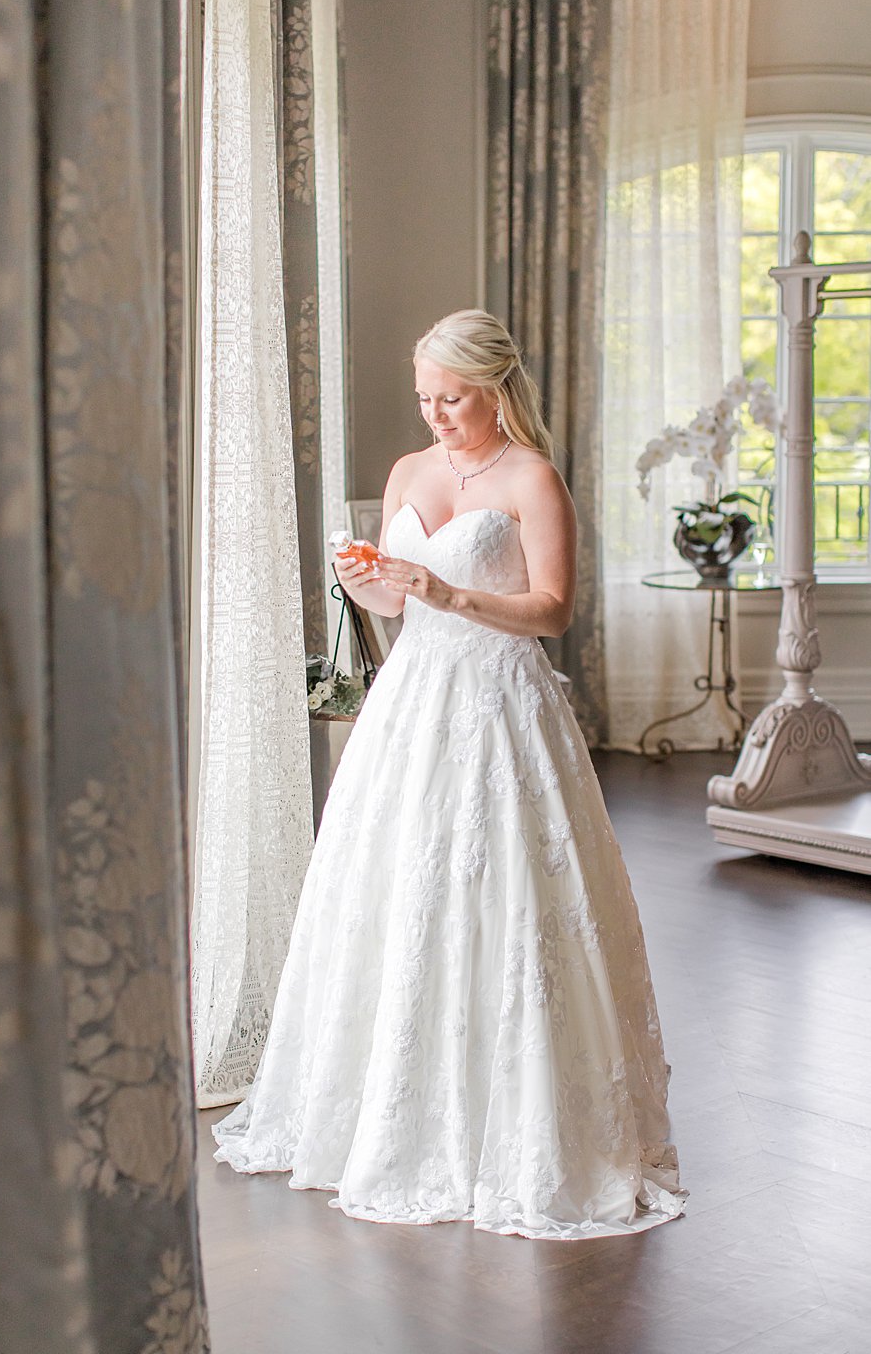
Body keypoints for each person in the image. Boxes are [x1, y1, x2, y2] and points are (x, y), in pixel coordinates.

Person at [212, 309, 686, 1239]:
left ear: (494, 388)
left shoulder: (529, 477)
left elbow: (551, 610)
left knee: (500, 898)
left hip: (500, 707)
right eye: (424, 397)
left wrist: (448, 592)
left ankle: (513, 1128)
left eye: (451, 397)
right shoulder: (407, 473)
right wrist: (371, 584)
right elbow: (398, 599)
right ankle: (385, 1107)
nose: (433, 414)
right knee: (394, 895)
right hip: (411, 703)